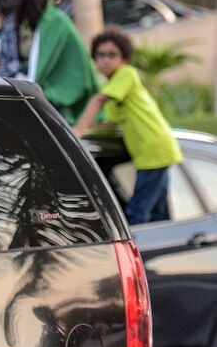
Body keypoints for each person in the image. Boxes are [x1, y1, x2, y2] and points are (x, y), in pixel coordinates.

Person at [73, 29, 183, 225]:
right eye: (101, 55)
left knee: (137, 212)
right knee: (159, 213)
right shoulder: (114, 85)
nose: (105, 60)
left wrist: (76, 131)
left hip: (153, 149)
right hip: (152, 151)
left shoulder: (127, 74)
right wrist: (90, 129)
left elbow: (98, 99)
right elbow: (113, 122)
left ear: (124, 58)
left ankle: (138, 253)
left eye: (112, 54)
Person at [3, 0, 99, 123]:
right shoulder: (24, 24)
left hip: (57, 109)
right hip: (33, 100)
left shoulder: (57, 22)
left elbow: (72, 73)